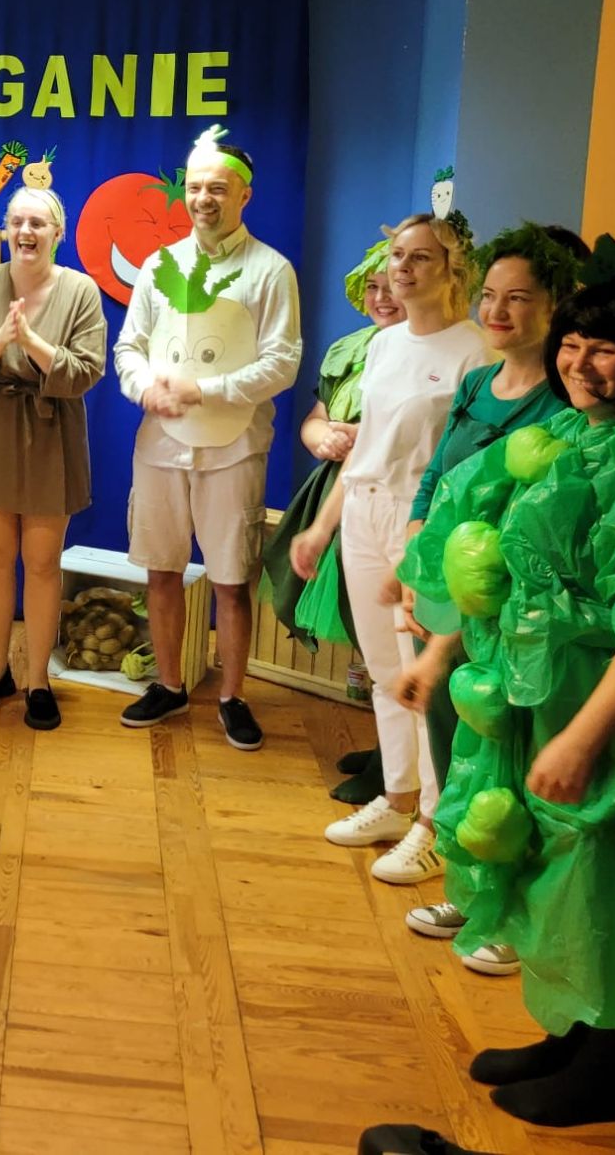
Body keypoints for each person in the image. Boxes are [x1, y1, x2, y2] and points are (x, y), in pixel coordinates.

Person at [394, 274, 615, 1126]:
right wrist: (441, 653)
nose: (580, 363)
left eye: (606, 348)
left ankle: (600, 1070)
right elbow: (506, 568)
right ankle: (570, 1035)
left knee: (611, 879)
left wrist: (585, 737)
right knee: (557, 879)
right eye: (573, 343)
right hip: (546, 697)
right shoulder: (572, 437)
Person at [394, 223, 586, 964]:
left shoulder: (565, 407)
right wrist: (418, 546)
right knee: (459, 749)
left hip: (514, 607)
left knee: (512, 755)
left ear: (557, 305)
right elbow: (439, 474)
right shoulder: (478, 384)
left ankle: (517, 916)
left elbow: (533, 519)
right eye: (491, 296)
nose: (497, 311)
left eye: (519, 298)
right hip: (450, 593)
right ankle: (473, 893)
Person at [289, 212, 485, 871]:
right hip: (364, 511)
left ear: (452, 270)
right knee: (383, 673)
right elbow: (365, 448)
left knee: (421, 679)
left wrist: (426, 541)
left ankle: (433, 823)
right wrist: (321, 527)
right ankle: (397, 797)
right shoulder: (384, 344)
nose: (403, 268)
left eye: (421, 257)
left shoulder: (473, 351)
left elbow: (462, 464)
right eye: (398, 256)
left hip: (420, 522)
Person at [114, 125, 302, 752]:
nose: (203, 199)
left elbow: (282, 363)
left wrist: (204, 390)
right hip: (160, 447)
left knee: (230, 577)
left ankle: (233, 695)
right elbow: (129, 347)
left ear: (244, 195)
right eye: (195, 188)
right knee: (162, 568)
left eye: (217, 189)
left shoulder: (270, 271)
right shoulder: (158, 266)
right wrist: (145, 388)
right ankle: (169, 684)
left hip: (234, 448)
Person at [0, 185, 107, 729]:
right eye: (17, 221)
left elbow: (86, 371)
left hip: (51, 437)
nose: (26, 232)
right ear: (6, 228)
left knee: (41, 564)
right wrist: (1, 338)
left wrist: (32, 341)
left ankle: (38, 678)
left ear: (58, 233)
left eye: (38, 223)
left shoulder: (81, 291)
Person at [262, 238, 403, 805]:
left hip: (385, 500)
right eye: (373, 286)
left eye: (393, 285)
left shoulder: (427, 357)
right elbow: (317, 416)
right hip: (337, 492)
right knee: (363, 626)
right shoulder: (351, 348)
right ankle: (385, 746)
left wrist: (362, 438)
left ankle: (396, 765)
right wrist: (321, 436)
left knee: (389, 637)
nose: (382, 297)